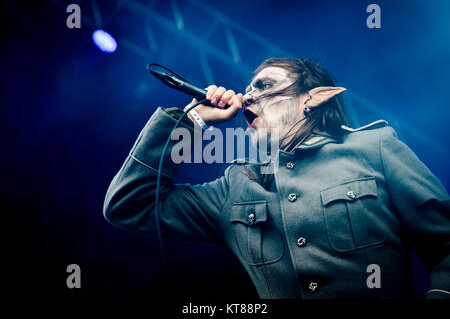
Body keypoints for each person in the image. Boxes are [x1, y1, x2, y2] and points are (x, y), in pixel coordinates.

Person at [103, 58, 450, 299]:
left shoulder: (373, 147)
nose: (248, 96)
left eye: (264, 86)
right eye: (249, 89)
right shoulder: (236, 186)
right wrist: (194, 122)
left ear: (311, 98)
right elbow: (128, 204)